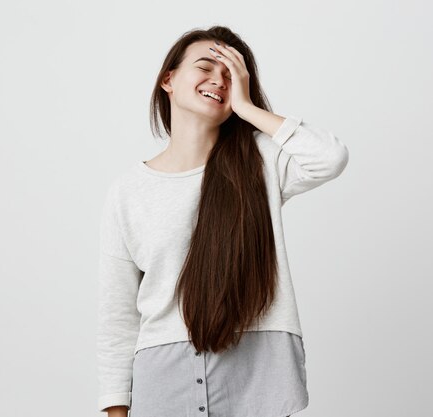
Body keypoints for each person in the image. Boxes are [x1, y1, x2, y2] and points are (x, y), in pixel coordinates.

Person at [96, 25, 349, 417]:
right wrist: (116, 408)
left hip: (256, 372)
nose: (218, 80)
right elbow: (117, 314)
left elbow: (329, 158)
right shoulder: (128, 190)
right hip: (162, 380)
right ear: (169, 78)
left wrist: (247, 108)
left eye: (231, 74)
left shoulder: (261, 161)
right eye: (206, 67)